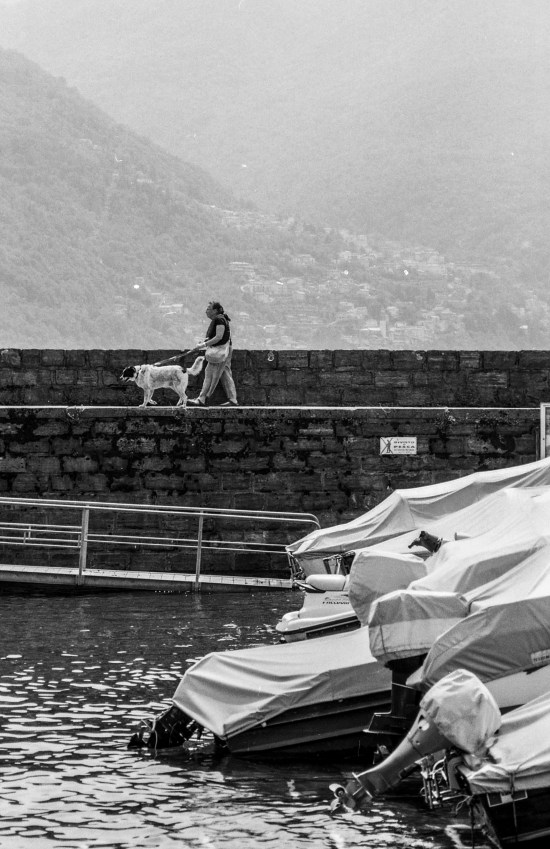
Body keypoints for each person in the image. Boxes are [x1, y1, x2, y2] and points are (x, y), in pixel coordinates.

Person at [188, 301, 238, 407]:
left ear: (215, 311)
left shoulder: (219, 319)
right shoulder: (221, 319)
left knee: (210, 374)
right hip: (226, 350)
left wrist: (203, 345)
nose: (206, 311)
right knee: (225, 374)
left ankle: (202, 398)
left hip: (219, 352)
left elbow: (219, 337)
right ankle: (233, 399)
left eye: (208, 309)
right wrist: (205, 342)